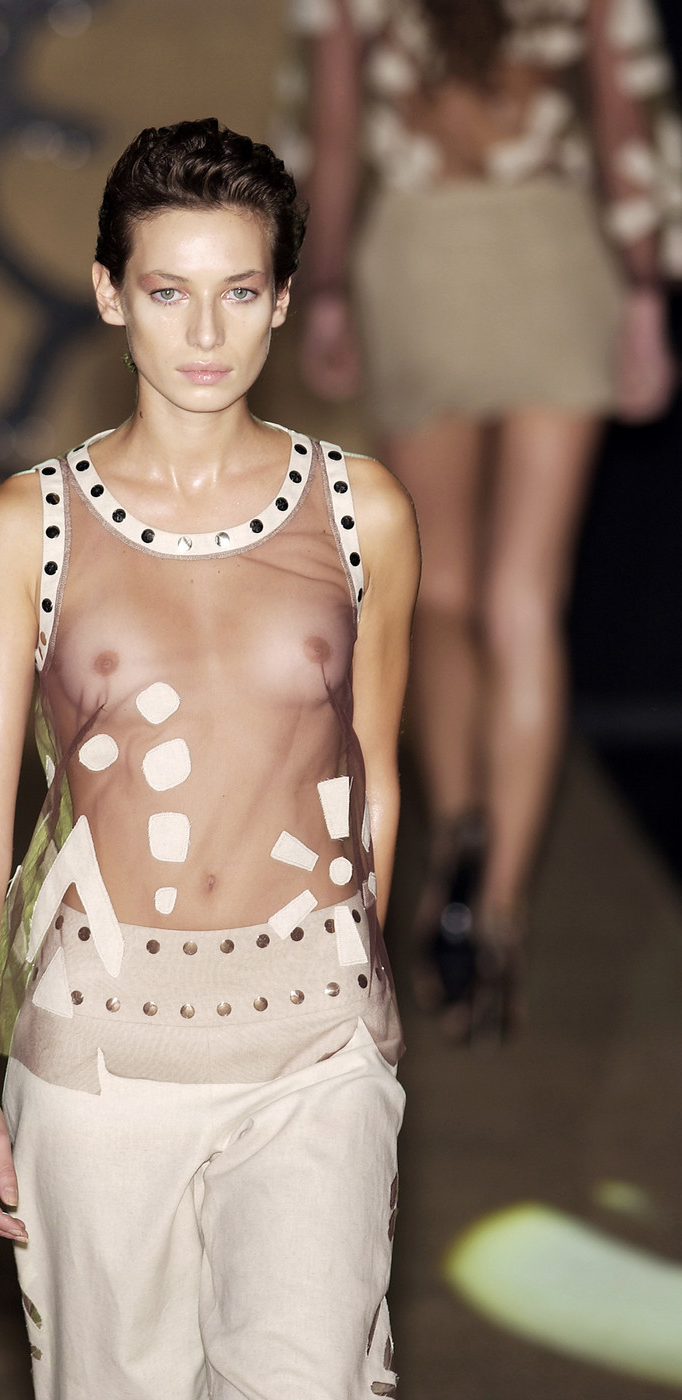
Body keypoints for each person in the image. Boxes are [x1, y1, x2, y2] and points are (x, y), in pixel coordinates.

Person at [0, 118, 419, 1400]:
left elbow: (373, 769)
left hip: (314, 1048)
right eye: (167, 291)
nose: (206, 331)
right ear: (110, 295)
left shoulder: (361, 509)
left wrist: (365, 1008)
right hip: (96, 1055)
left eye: (239, 291)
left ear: (283, 301)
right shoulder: (27, 526)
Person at [295, 0, 680, 1040]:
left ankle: (457, 841)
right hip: (555, 252)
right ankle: (498, 908)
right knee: (524, 601)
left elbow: (335, 134)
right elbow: (624, 124)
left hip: (422, 257)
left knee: (440, 592)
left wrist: (321, 292)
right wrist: (648, 295)